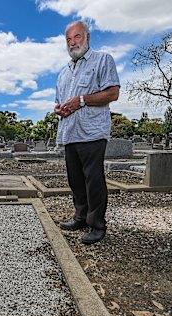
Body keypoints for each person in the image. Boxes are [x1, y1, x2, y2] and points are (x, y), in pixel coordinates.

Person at [54, 21, 120, 244]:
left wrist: (81, 100)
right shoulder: (64, 72)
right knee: (76, 180)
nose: (73, 43)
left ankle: (97, 225)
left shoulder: (102, 60)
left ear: (87, 37)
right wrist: (60, 109)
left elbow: (112, 93)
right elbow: (61, 102)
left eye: (77, 37)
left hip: (92, 132)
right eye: (69, 40)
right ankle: (80, 217)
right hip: (70, 132)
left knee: (93, 180)